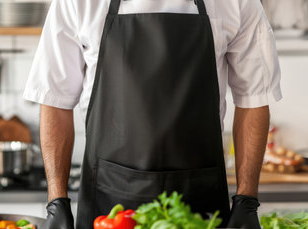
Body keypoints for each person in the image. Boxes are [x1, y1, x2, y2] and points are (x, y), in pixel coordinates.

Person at [24, 0, 282, 228]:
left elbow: (254, 99)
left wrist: (247, 199)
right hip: (109, 208)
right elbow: (55, 101)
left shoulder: (236, 3)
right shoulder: (78, 3)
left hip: (198, 206)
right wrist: (56, 201)